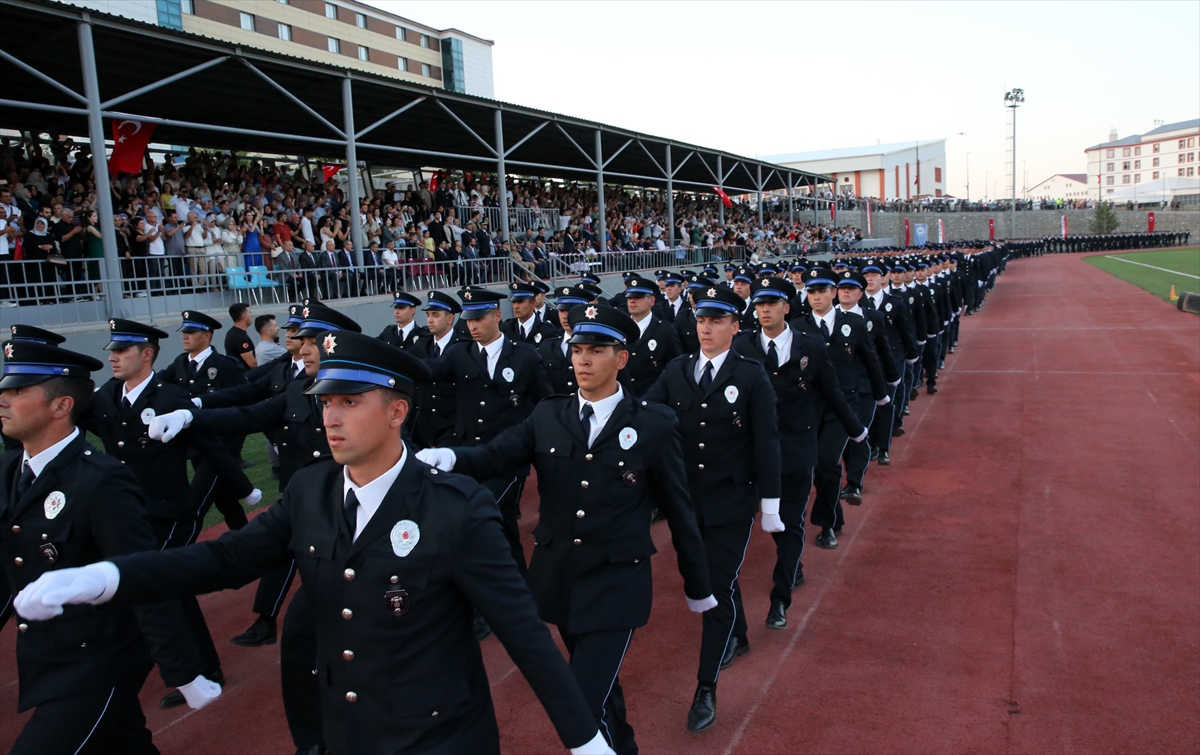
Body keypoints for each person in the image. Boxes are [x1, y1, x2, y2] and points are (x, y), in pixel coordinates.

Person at [15, 332, 615, 755]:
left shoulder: (456, 507)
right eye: (326, 402)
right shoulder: (311, 490)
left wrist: (583, 738)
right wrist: (112, 578)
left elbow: (522, 631)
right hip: (344, 730)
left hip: (436, 738)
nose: (330, 417)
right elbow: (225, 560)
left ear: (397, 411)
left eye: (350, 402)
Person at [417, 303, 715, 755]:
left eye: (596, 350)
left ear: (622, 358)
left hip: (617, 584)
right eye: (578, 350)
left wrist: (698, 584)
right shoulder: (549, 415)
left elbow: (679, 507)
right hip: (561, 578)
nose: (583, 360)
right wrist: (451, 457)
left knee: (579, 700)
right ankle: (625, 746)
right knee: (600, 692)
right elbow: (498, 454)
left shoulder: (653, 424)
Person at [0, 338, 222, 754]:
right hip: (47, 655)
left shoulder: (100, 480)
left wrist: (183, 670)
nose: (3, 399)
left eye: (17, 391)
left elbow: (141, 575)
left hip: (98, 660)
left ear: (61, 406)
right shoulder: (11, 469)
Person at [78, 318, 263, 707]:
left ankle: (197, 669)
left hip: (171, 511)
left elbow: (211, 446)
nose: (111, 357)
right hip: (127, 513)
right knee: (163, 587)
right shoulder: (107, 397)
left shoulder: (168, 398)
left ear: (146, 355)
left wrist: (245, 490)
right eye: (111, 350)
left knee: (155, 582)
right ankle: (186, 666)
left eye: (121, 351)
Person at [642, 284, 782, 734]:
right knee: (707, 574)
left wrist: (771, 503)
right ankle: (738, 632)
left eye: (717, 320)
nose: (706, 327)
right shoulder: (677, 370)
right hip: (685, 502)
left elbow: (766, 444)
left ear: (734, 327)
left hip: (732, 502)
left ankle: (706, 687)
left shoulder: (751, 375)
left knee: (713, 585)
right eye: (701, 319)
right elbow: (644, 412)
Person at [732, 278, 865, 628]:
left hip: (794, 450)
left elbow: (832, 392)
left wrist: (857, 430)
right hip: (752, 452)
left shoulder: (812, 346)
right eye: (759, 304)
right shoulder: (741, 346)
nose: (763, 310)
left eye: (771, 304)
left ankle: (780, 598)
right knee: (764, 522)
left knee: (790, 522)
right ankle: (792, 564)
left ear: (786, 308)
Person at [791, 268, 888, 549]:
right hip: (807, 407)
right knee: (810, 467)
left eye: (822, 291)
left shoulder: (853, 324)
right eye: (811, 292)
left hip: (842, 408)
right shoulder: (796, 326)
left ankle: (827, 524)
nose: (816, 297)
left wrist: (882, 398)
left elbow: (870, 361)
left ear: (833, 293)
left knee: (827, 463)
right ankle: (836, 514)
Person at [157, 310, 252, 528]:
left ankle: (179, 551)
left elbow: (244, 400)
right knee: (226, 501)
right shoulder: (180, 363)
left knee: (195, 504)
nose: (185, 336)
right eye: (184, 332)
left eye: (191, 332)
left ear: (207, 336)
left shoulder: (225, 365)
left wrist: (232, 447)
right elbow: (158, 385)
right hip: (195, 446)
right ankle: (251, 544)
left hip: (218, 447)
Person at [407, 291, 472, 449]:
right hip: (424, 427)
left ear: (450, 318)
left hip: (452, 427)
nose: (430, 320)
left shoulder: (463, 346)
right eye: (428, 315)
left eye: (435, 315)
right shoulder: (422, 344)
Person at [617, 275, 681, 397]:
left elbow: (674, 367)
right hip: (623, 399)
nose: (632, 301)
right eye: (629, 297)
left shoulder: (665, 330)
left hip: (653, 399)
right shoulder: (620, 329)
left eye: (638, 297)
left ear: (652, 300)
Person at [226, 302, 258, 372]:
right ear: (244, 317)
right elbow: (253, 363)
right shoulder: (241, 337)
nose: (251, 315)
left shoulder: (232, 333)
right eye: (249, 313)